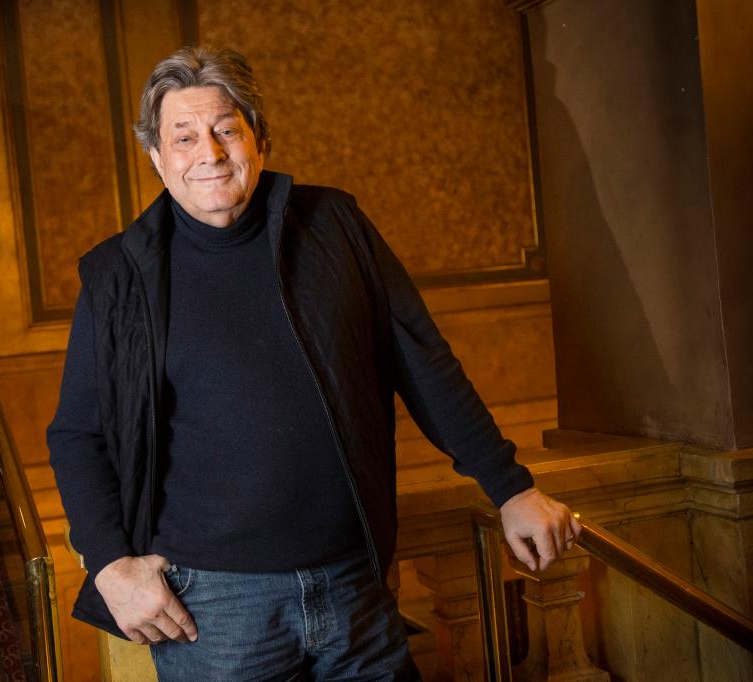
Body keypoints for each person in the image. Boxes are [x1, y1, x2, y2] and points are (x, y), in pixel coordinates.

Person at [48, 45, 580, 681]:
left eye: (226, 130)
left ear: (260, 139)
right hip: (212, 609)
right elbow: (77, 434)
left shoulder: (334, 225)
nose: (210, 154)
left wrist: (510, 485)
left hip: (353, 582)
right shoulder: (118, 275)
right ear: (158, 160)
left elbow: (424, 364)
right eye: (184, 137)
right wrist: (110, 562)